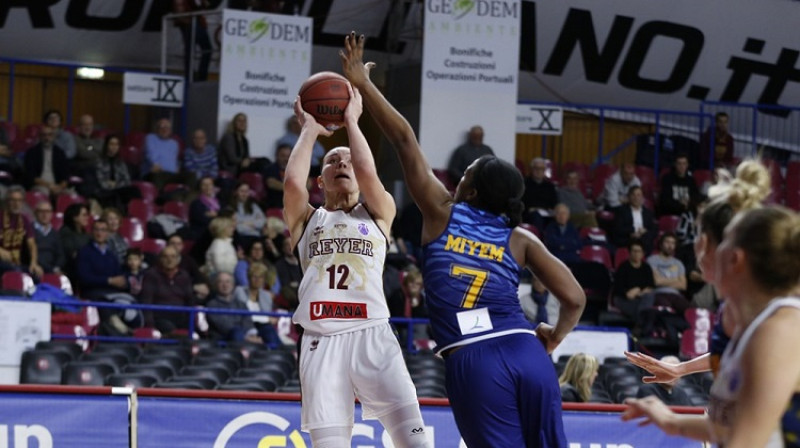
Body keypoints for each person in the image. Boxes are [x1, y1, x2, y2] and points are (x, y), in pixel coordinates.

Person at [342, 31, 586, 448]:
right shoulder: (519, 238)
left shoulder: (442, 212)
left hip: (474, 357)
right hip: (528, 352)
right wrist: (555, 336)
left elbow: (403, 139)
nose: (458, 175)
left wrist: (363, 85)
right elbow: (576, 298)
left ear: (470, 190)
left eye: (466, 171)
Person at [283, 67, 429, 446]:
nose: (342, 164)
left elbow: (367, 169)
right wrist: (310, 130)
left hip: (373, 334)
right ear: (321, 179)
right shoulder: (307, 218)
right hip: (321, 340)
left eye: (347, 159)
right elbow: (292, 184)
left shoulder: (379, 212)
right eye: (332, 161)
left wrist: (351, 121)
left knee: (416, 443)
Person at [622, 205, 800, 448]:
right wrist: (671, 421)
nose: (701, 245)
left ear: (735, 258)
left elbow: (743, 442)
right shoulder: (750, 326)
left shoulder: (780, 329)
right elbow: (724, 428)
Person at [625, 160, 772, 382]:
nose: (694, 245)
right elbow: (726, 358)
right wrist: (679, 370)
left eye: (698, 236)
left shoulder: (773, 314)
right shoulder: (734, 306)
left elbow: (758, 415)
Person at [139, 246, 196, 335]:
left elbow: (190, 300)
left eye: (173, 257)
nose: (169, 260)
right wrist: (150, 327)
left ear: (178, 259)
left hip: (181, 316)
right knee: (171, 330)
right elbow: (147, 302)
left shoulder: (184, 276)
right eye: (165, 257)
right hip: (161, 317)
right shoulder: (151, 275)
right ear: (160, 259)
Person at [75, 219, 127, 300]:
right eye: (96, 230)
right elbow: (85, 278)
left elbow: (119, 276)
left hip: (113, 292)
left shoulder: (111, 255)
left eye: (103, 230)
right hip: (93, 293)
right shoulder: (84, 252)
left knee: (130, 303)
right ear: (92, 232)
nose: (99, 233)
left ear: (108, 233)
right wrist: (109, 281)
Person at [233, 262, 281, 348]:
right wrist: (267, 318)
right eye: (254, 276)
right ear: (249, 278)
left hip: (262, 326)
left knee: (270, 331)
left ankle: (278, 356)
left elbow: (267, 315)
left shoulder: (266, 295)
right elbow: (245, 314)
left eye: (261, 277)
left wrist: (267, 319)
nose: (257, 280)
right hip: (244, 325)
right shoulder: (239, 290)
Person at [206, 272, 263, 343]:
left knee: (267, 330)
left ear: (233, 285)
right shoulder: (212, 305)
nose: (225, 285)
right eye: (221, 282)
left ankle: (277, 351)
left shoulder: (241, 304)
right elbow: (224, 326)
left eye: (228, 282)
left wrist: (252, 335)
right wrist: (246, 337)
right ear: (216, 285)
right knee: (237, 331)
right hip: (222, 338)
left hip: (242, 335)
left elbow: (247, 321)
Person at [0, 186, 42, 278]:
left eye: (19, 200)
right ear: (7, 201)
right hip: (2, 262)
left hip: (16, 262)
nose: (16, 204)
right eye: (13, 200)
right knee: (16, 272)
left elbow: (32, 244)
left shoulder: (24, 219)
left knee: (36, 274)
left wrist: (34, 263)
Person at [613, 240, 656, 328]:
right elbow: (617, 288)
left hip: (641, 298)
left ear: (643, 253)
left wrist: (638, 291)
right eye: (634, 251)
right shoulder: (623, 267)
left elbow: (651, 286)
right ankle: (642, 328)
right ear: (629, 252)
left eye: (639, 251)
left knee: (649, 296)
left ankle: (639, 326)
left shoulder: (646, 268)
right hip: (623, 298)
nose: (636, 254)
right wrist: (627, 293)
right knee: (647, 311)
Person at [94, 135, 140, 211]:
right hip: (105, 191)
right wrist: (114, 185)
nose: (114, 147)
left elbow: (127, 181)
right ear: (106, 146)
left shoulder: (121, 163)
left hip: (119, 189)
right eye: (111, 144)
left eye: (116, 144)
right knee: (114, 196)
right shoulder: (99, 162)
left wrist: (116, 184)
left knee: (135, 190)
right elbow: (101, 182)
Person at [172, 0, 212, 82]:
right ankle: (197, 77)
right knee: (203, 49)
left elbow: (205, 5)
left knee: (192, 51)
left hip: (192, 21)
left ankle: (193, 77)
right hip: (190, 22)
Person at [23, 126, 69, 196]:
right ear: (40, 137)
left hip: (57, 185)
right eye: (44, 135)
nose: (47, 138)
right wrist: (49, 186)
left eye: (49, 135)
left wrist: (60, 187)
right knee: (44, 193)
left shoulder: (60, 153)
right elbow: (31, 176)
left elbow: (65, 175)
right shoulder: (32, 152)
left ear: (54, 137)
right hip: (40, 185)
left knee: (70, 195)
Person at [611, 186, 657, 254]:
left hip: (644, 240)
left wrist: (645, 232)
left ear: (642, 197)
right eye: (633, 195)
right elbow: (617, 229)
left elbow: (654, 230)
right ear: (629, 197)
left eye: (638, 195)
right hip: (628, 240)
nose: (636, 198)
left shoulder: (648, 213)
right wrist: (632, 232)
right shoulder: (621, 211)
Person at [522, 157, 558, 229]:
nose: (539, 171)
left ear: (544, 170)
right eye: (536, 168)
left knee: (559, 218)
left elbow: (554, 203)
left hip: (546, 213)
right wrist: (531, 209)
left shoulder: (550, 186)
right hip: (530, 213)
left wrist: (552, 210)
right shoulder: (524, 184)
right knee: (536, 217)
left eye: (541, 169)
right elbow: (522, 202)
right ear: (532, 169)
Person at [59, 203, 91, 281]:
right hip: (71, 269)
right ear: (75, 217)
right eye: (84, 215)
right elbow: (72, 254)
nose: (87, 218)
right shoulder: (65, 232)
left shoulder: (86, 234)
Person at [231, 181, 266, 247]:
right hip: (240, 237)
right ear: (236, 192)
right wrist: (253, 224)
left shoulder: (254, 206)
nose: (244, 194)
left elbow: (262, 222)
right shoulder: (231, 208)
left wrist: (243, 223)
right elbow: (237, 228)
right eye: (242, 191)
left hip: (256, 237)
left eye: (246, 191)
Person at [32, 200, 64, 274]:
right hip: (35, 269)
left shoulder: (55, 233)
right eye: (41, 211)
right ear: (35, 213)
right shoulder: (29, 231)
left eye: (48, 211)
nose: (45, 214)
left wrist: (56, 267)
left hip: (53, 270)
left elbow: (60, 255)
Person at [263, 143, 291, 210]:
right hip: (276, 204)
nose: (286, 159)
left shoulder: (296, 169)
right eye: (283, 156)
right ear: (277, 156)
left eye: (288, 156)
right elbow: (271, 183)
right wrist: (295, 188)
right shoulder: (271, 168)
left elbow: (308, 183)